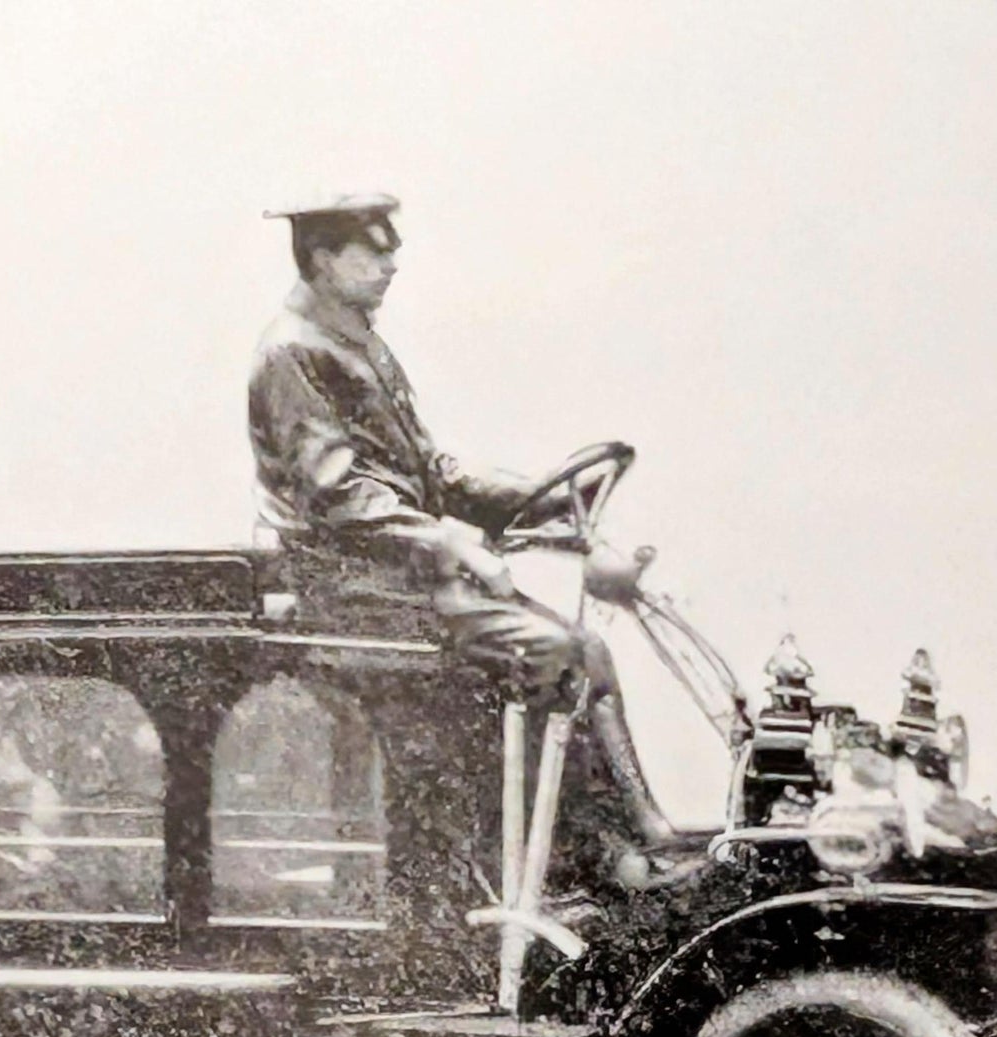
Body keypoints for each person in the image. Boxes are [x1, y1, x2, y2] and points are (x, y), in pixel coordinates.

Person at [247, 193, 677, 854]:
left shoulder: (357, 340)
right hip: (351, 589)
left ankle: (642, 832)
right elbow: (337, 495)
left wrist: (543, 498)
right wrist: (450, 542)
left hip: (397, 579)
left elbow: (430, 470)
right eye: (374, 251)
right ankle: (579, 854)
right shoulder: (292, 352)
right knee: (554, 650)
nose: (393, 263)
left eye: (393, 249)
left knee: (587, 648)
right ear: (325, 259)